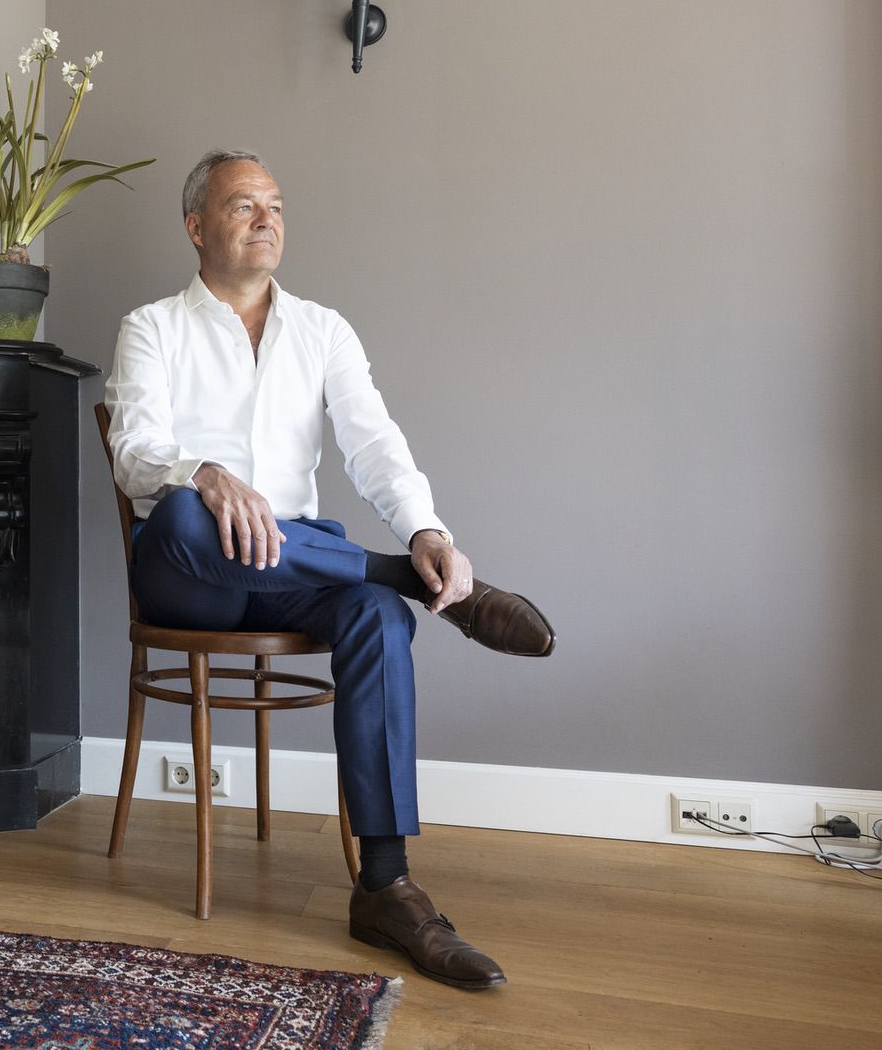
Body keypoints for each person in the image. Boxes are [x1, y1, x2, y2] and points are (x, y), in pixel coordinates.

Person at [103, 149, 554, 990]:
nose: (267, 218)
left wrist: (426, 526)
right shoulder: (151, 327)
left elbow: (375, 442)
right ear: (197, 226)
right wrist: (204, 475)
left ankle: (387, 886)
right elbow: (134, 453)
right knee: (180, 510)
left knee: (378, 620)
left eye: (275, 204)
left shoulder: (323, 330)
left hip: (297, 565)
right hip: (189, 573)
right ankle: (401, 577)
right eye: (244, 205)